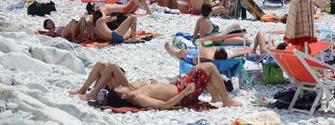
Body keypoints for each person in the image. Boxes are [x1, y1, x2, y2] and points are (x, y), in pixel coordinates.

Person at [71, 61, 242, 108]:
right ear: (123, 95)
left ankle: (84, 90)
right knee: (209, 66)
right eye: (117, 89)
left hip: (179, 85)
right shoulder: (139, 97)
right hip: (182, 91)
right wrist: (185, 92)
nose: (115, 87)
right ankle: (225, 100)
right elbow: (165, 105)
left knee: (103, 64)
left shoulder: (131, 93)